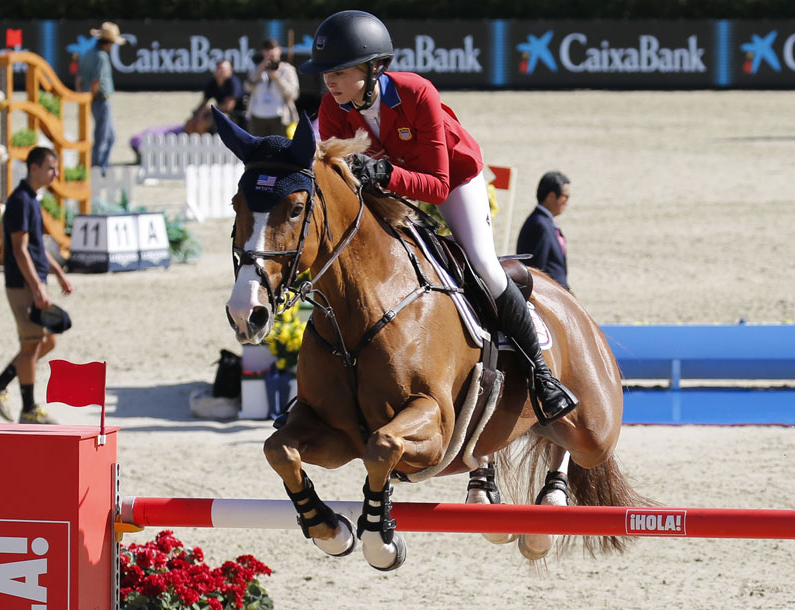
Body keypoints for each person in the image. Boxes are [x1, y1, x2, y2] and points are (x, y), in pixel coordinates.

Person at [300, 10, 577, 423]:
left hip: (453, 179)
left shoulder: (416, 93)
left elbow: (436, 186)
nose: (330, 81)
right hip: (389, 188)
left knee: (483, 265)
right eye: (325, 73)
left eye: (339, 71)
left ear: (375, 68)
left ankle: (541, 373)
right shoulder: (331, 107)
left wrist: (384, 172)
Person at [0, 146, 73, 425]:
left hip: (34, 281)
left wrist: (57, 272)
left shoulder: (32, 199)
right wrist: (36, 287)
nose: (55, 173)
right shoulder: (20, 200)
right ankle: (29, 407)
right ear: (33, 168)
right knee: (32, 344)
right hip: (22, 284)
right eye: (50, 168)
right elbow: (19, 251)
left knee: (47, 341)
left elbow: (36, 247)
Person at [79, 21, 126, 176]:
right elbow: (96, 81)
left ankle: (100, 165)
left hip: (91, 99)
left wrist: (83, 99)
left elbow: (79, 79)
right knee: (103, 136)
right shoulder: (101, 57)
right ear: (110, 43)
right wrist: (91, 98)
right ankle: (98, 168)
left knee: (109, 136)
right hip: (100, 99)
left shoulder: (88, 54)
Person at [516, 171, 571, 291]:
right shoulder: (539, 224)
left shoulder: (545, 221)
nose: (567, 202)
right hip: (549, 296)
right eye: (565, 196)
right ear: (551, 196)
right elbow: (536, 270)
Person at [245, 38, 300, 137]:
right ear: (262, 52)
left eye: (273, 48)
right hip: (257, 116)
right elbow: (247, 87)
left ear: (279, 50)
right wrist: (260, 68)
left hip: (280, 117)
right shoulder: (256, 68)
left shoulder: (287, 69)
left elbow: (293, 94)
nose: (270, 52)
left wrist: (277, 78)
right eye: (267, 49)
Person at [196, 59, 244, 129]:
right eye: (218, 68)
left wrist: (208, 110)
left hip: (235, 116)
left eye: (222, 69)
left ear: (230, 71)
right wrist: (199, 114)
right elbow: (203, 103)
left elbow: (228, 107)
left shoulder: (233, 83)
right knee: (192, 123)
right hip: (218, 112)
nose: (219, 72)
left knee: (208, 121)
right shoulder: (212, 83)